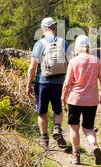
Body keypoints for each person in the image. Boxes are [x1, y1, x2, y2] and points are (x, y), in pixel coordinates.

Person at [61, 35, 101, 165]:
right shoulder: (96, 60)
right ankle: (94, 145)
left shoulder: (74, 62)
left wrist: (63, 98)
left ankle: (76, 156)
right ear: (88, 47)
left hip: (75, 99)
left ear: (77, 47)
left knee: (74, 128)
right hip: (92, 99)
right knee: (88, 128)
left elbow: (67, 83)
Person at [27, 17, 69, 149]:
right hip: (59, 83)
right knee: (57, 109)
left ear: (42, 29)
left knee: (42, 112)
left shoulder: (39, 44)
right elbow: (71, 63)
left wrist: (28, 84)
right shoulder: (63, 42)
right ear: (55, 28)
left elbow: (33, 66)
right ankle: (57, 128)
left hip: (42, 82)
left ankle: (44, 139)